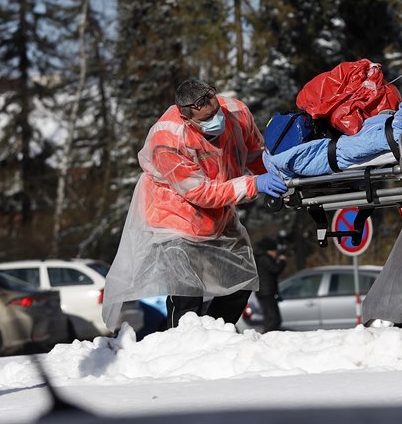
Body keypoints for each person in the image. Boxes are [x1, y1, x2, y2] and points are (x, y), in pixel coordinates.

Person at [102, 79, 288, 332]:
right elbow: (199, 192)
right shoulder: (167, 139)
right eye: (208, 117)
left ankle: (214, 336)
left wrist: (280, 178)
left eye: (216, 110)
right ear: (186, 118)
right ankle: (185, 347)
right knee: (187, 295)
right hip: (174, 218)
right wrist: (254, 185)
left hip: (219, 215)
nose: (217, 118)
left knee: (241, 283)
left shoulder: (235, 112)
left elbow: (254, 152)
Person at [253, 236, 287, 332]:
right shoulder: (265, 258)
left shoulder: (260, 258)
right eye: (274, 251)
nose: (276, 253)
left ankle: (268, 336)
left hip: (264, 291)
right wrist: (282, 261)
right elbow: (275, 269)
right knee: (274, 319)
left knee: (269, 318)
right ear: (270, 250)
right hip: (267, 292)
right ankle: (267, 336)